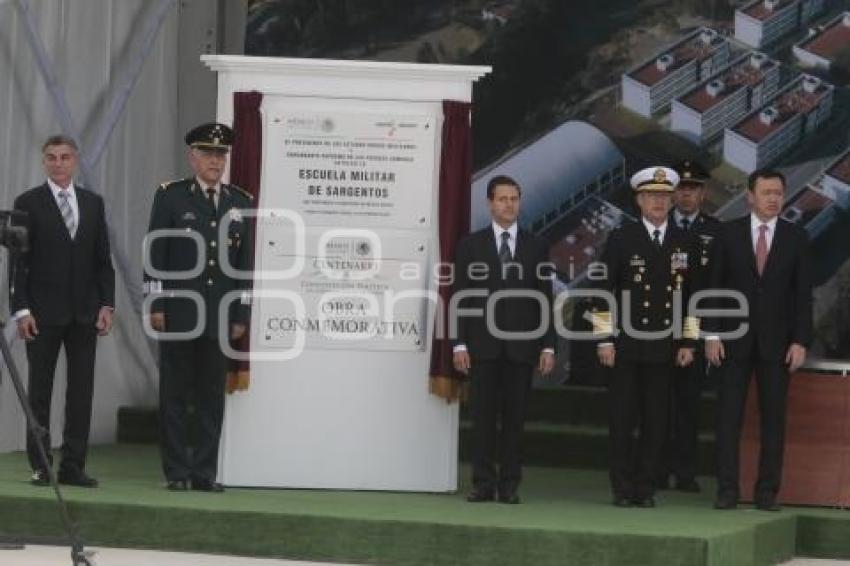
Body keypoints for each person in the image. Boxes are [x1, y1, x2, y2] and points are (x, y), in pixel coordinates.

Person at [144, 123, 254, 492]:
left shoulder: (241, 202)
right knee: (174, 395)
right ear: (193, 157)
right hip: (178, 314)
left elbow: (245, 265)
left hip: (219, 316)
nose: (215, 161)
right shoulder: (171, 197)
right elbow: (155, 255)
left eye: (221, 155)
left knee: (210, 398)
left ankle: (204, 472)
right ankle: (176, 472)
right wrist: (155, 303)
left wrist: (241, 313)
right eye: (208, 153)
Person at [705, 169, 812, 511]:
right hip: (731, 342)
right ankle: (727, 491)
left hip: (777, 346)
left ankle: (767, 493)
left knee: (773, 421)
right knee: (727, 419)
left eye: (778, 193)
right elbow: (712, 288)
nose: (773, 199)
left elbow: (802, 295)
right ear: (750, 196)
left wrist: (800, 340)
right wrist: (711, 333)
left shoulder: (796, 237)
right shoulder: (728, 234)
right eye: (766, 192)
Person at [592, 166, 699, 508]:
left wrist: (688, 341)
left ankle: (645, 487)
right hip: (625, 345)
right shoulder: (622, 238)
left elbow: (695, 297)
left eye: (665, 196)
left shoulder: (685, 242)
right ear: (639, 200)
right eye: (652, 196)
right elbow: (601, 292)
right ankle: (621, 488)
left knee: (656, 422)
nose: (659, 202)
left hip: (664, 347)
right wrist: (604, 339)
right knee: (622, 421)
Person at [12, 135, 115, 488]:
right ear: (44, 162)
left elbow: (104, 260)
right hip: (41, 314)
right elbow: (18, 264)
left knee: (81, 393)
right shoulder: (27, 203)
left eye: (65, 157)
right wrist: (21, 310)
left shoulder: (93, 203)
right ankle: (41, 465)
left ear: (76, 161)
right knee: (39, 391)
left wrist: (107, 304)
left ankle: (74, 466)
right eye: (52, 157)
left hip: (85, 314)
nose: (58, 163)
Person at [452, 175, 556, 504]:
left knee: (515, 421)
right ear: (490, 203)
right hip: (482, 347)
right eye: (502, 199)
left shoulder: (536, 245)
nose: (509, 205)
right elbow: (461, 297)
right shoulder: (471, 245)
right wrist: (459, 343)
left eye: (514, 199)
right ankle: (483, 483)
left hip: (522, 349)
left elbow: (544, 298)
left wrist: (548, 345)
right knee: (482, 420)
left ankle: (509, 485)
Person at [656, 159, 719, 493]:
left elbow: (712, 290)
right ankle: (657, 469)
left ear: (703, 193)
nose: (685, 195)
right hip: (658, 332)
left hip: (694, 332)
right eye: (680, 188)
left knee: (688, 407)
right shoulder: (658, 227)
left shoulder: (716, 232)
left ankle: (685, 472)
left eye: (692, 189)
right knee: (657, 406)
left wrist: (697, 338)